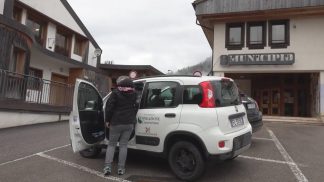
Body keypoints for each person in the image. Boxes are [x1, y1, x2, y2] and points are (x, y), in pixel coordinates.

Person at [103, 76, 137, 176]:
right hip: (129, 124)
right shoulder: (134, 94)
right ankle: (121, 169)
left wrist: (107, 120)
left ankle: (107, 167)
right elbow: (136, 107)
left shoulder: (116, 93)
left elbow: (109, 108)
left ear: (120, 85)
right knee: (123, 146)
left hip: (116, 123)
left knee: (112, 145)